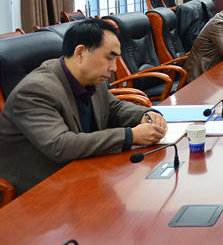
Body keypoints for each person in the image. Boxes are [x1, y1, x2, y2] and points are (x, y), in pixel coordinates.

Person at [0, 19, 168, 195]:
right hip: (39, 189)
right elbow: (61, 145)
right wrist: (130, 136)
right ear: (80, 53)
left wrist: (146, 114)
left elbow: (113, 109)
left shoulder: (91, 77)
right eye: (109, 58)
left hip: (82, 171)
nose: (114, 67)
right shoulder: (35, 90)